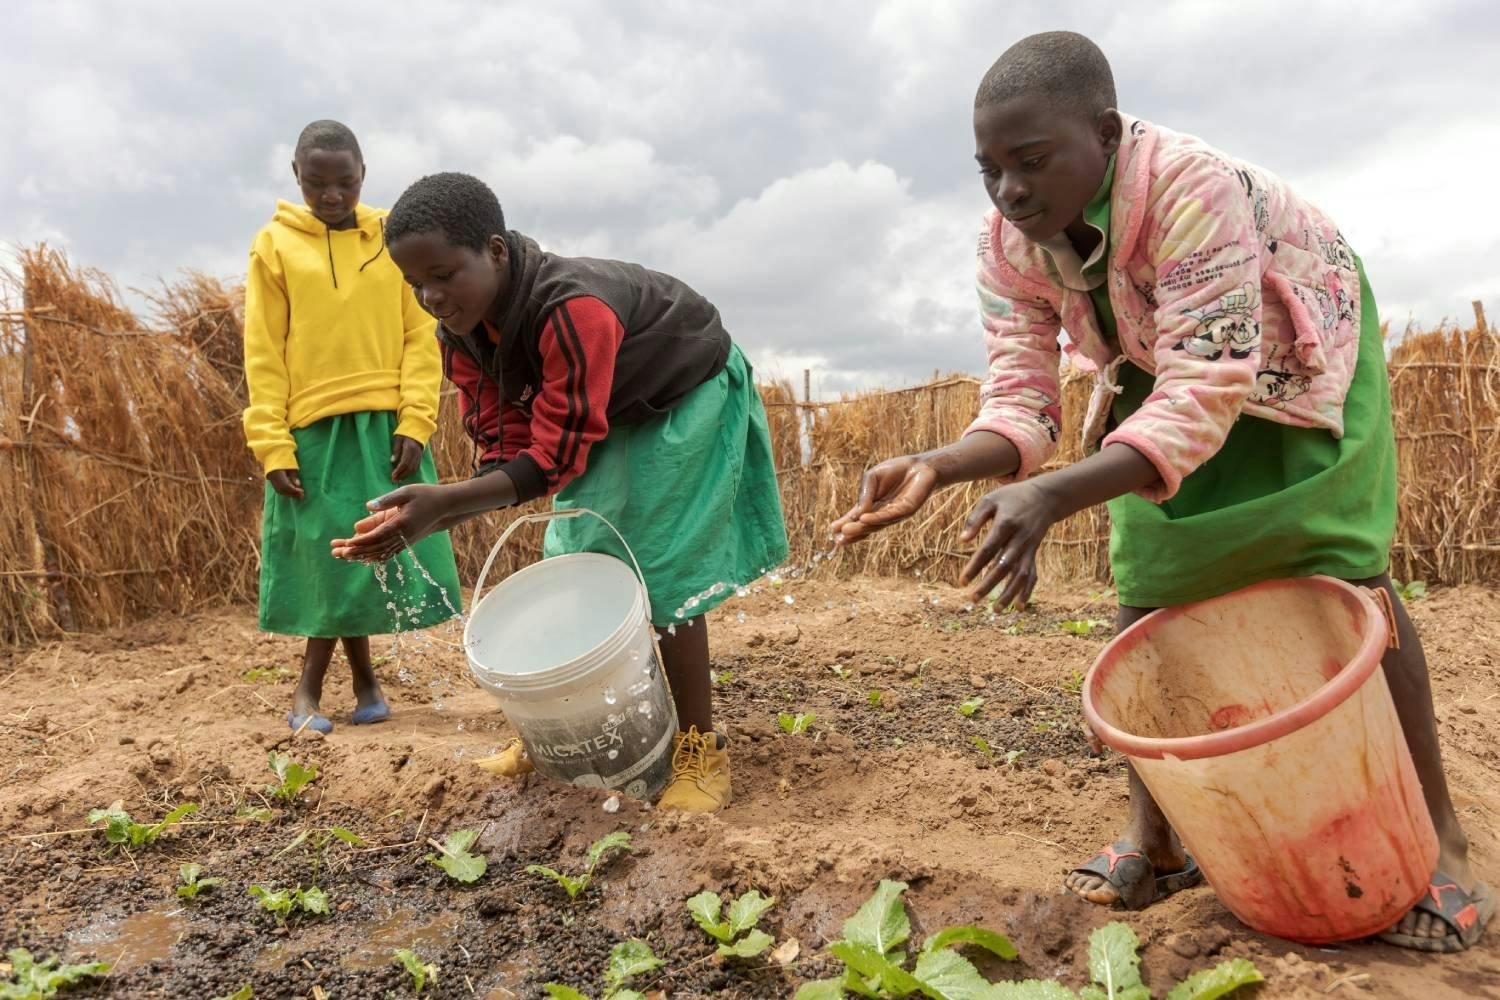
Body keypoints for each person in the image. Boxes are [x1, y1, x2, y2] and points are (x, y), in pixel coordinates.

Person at [831, 32, 1490, 952]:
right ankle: (1157, 837)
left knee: (1346, 578)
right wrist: (943, 464)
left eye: (1030, 162)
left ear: (1104, 133)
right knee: (1147, 593)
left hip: (1290, 347)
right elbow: (1023, 400)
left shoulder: (1189, 187)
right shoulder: (1007, 245)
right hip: (1162, 361)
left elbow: (1211, 384)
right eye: (989, 171)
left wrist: (1056, 495)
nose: (1010, 192)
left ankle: (1444, 845)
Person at [329, 171, 787, 813]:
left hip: (684, 395)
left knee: (662, 566)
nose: (431, 296)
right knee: (574, 553)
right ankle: (557, 734)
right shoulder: (461, 330)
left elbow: (557, 453)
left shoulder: (574, 309)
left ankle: (699, 748)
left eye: (443, 274)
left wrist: (446, 505)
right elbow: (503, 434)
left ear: (494, 249)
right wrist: (455, 497)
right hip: (612, 409)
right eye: (415, 285)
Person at [243, 120, 462, 734]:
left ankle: (347, 686)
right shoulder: (274, 246)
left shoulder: (391, 242)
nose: (332, 195)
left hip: (385, 426)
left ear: (363, 174)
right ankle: (315, 690)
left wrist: (417, 419)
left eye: (344, 181)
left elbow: (421, 336)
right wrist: (271, 441)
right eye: (317, 183)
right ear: (296, 177)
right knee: (329, 558)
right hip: (309, 430)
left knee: (369, 551)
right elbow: (262, 350)